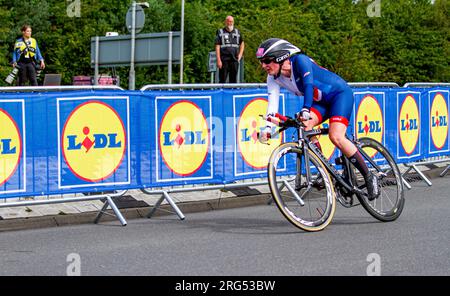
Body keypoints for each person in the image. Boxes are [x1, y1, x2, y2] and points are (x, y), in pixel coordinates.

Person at [256, 38, 380, 200]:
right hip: (321, 103)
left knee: (336, 136)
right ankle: (324, 169)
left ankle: (369, 176)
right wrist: (267, 128)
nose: (263, 66)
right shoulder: (273, 78)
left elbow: (308, 85)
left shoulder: (300, 61)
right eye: (261, 62)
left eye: (267, 61)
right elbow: (272, 105)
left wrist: (306, 108)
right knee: (305, 126)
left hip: (339, 95)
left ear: (281, 58)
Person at [215, 15, 245, 83]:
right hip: (224, 60)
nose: (230, 23)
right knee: (222, 79)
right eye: (228, 21)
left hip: (234, 59)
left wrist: (240, 55)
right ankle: (221, 93)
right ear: (225, 22)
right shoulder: (220, 32)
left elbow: (242, 43)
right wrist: (218, 60)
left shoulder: (237, 32)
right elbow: (217, 46)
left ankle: (232, 93)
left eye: (231, 21)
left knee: (233, 80)